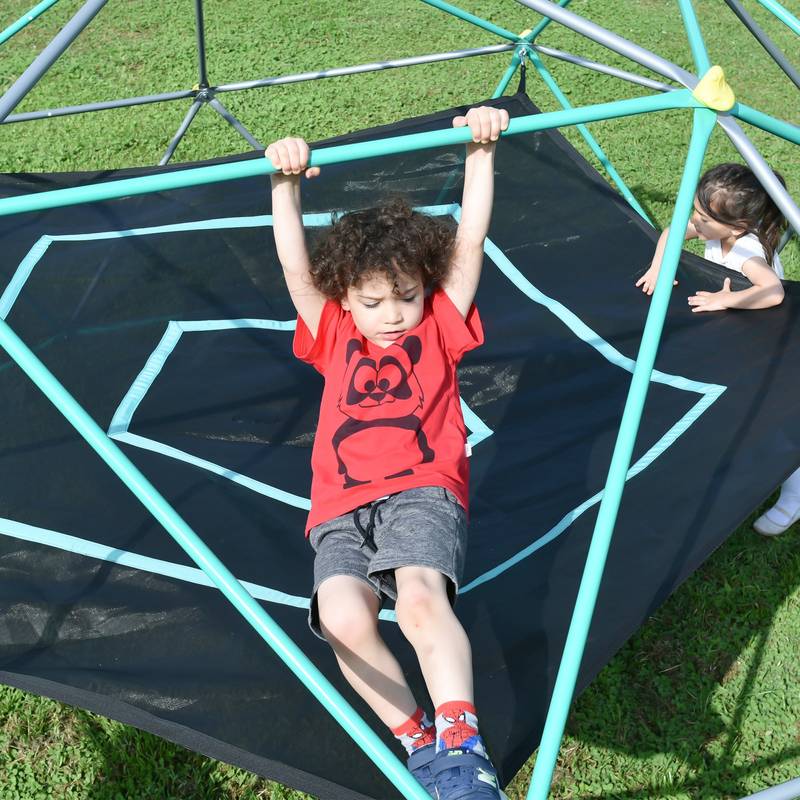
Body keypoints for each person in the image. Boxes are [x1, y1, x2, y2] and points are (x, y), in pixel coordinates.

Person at [266, 105, 509, 799]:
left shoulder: (440, 324)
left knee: (420, 601)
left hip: (422, 486)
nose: (393, 313)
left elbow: (472, 240)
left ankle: (463, 745)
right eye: (374, 301)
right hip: (339, 504)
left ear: (425, 288)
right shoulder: (333, 329)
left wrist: (481, 152)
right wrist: (285, 186)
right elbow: (292, 265)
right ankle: (418, 739)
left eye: (405, 295)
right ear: (346, 295)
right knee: (341, 618)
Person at [636, 162, 799, 536]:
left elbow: (772, 292)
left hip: (767, 335)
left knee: (772, 411)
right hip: (737, 332)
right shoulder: (715, 226)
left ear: (736, 227)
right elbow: (672, 230)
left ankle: (795, 491)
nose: (694, 221)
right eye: (696, 210)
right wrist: (661, 264)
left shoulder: (747, 249)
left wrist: (729, 300)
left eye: (703, 218)